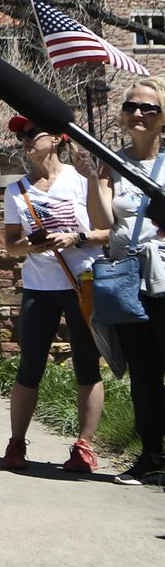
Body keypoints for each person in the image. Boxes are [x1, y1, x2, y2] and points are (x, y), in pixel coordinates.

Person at [0, 115, 105, 473]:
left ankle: (84, 447)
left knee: (87, 366)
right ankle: (16, 444)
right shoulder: (17, 191)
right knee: (29, 366)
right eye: (21, 137)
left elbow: (108, 232)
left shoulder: (81, 182)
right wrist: (32, 245)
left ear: (58, 139)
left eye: (33, 133)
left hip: (83, 284)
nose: (26, 140)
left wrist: (74, 238)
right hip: (40, 287)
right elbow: (11, 246)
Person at [88, 84, 165, 488]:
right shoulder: (112, 164)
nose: (138, 113)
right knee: (144, 373)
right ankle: (151, 456)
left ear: (162, 116)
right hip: (128, 281)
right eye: (131, 106)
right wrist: (99, 184)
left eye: (148, 108)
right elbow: (103, 223)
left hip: (164, 278)